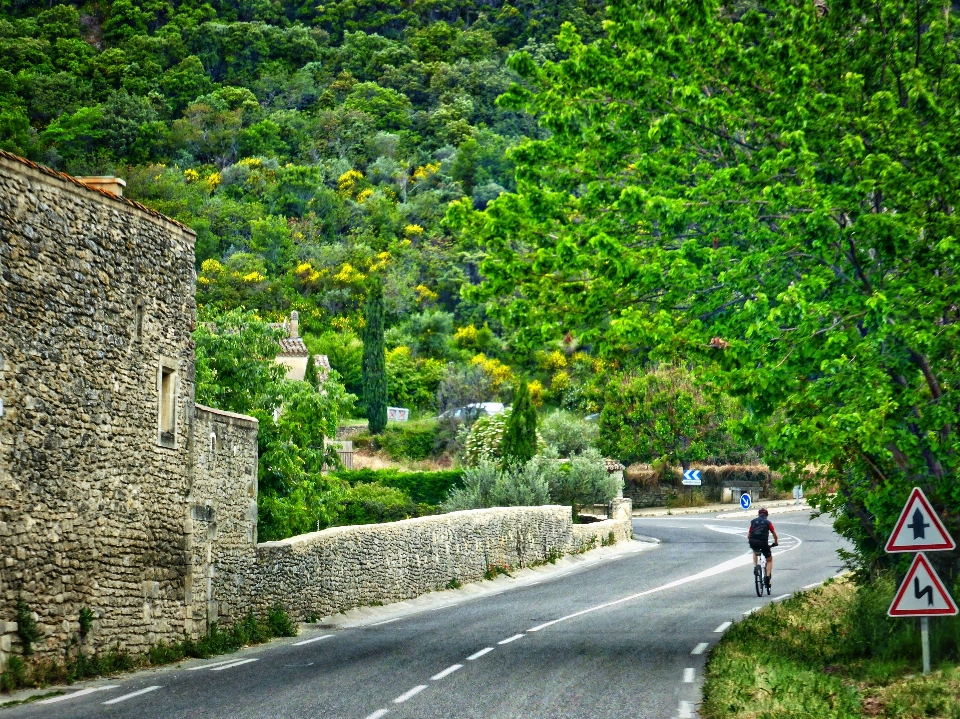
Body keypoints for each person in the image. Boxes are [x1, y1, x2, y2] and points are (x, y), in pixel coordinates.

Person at [748, 507, 779, 588]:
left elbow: (749, 535)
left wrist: (752, 541)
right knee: (769, 560)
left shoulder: (753, 522)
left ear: (758, 514)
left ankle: (755, 567)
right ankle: (767, 577)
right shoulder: (768, 523)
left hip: (753, 542)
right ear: (767, 515)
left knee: (755, 551)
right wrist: (775, 542)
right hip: (763, 543)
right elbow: (774, 534)